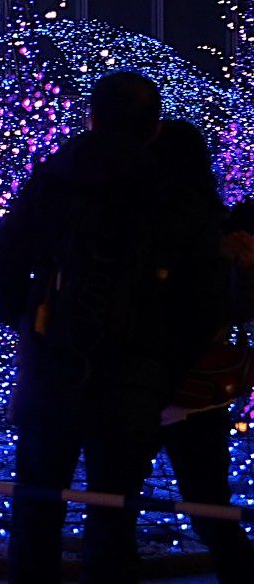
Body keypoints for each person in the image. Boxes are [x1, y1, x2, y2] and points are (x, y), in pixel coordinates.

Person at [0, 72, 229, 584]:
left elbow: (2, 263)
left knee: (37, 506)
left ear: (91, 118)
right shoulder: (173, 194)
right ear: (154, 126)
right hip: (133, 379)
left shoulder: (54, 180)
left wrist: (32, 328)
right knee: (114, 516)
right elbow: (206, 298)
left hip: (51, 369)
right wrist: (163, 366)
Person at [152, 120, 254, 583]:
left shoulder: (142, 219)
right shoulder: (215, 224)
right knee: (209, 502)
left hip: (147, 380)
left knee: (111, 500)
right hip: (198, 386)